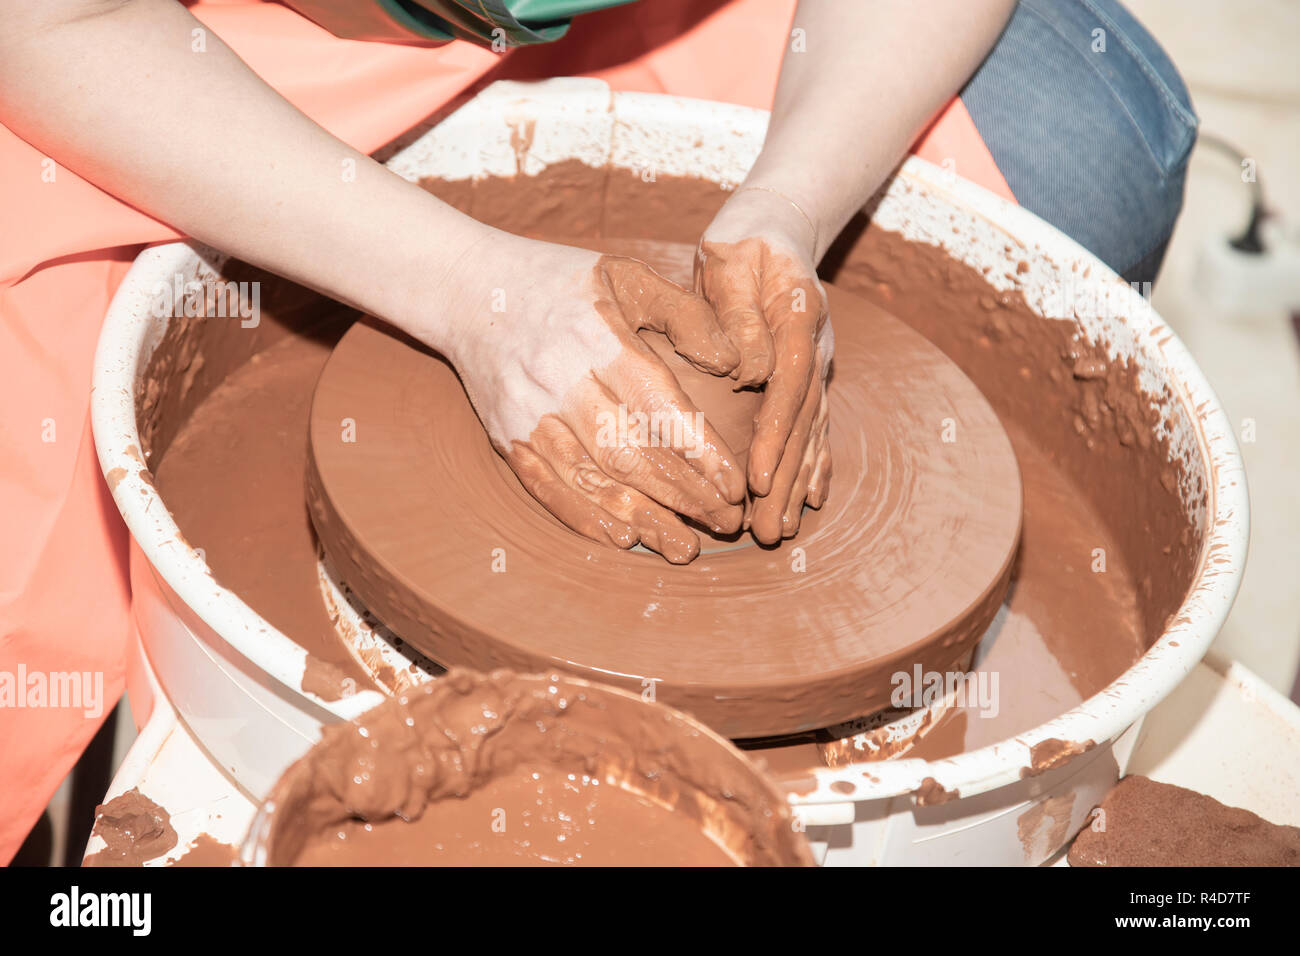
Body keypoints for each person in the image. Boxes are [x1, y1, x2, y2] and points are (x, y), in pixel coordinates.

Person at [0, 0, 1195, 861]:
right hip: (208, 44)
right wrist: (471, 290)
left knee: (1094, 148)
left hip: (651, 17)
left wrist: (787, 203)